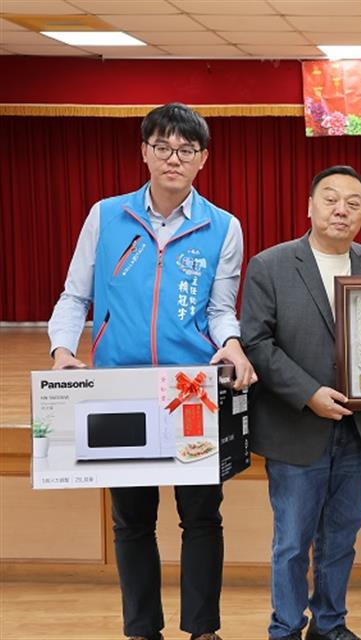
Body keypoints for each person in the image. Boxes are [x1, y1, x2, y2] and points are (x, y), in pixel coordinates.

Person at [48, 102, 257, 640]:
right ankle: (142, 630)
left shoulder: (223, 226)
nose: (173, 158)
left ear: (203, 159)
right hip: (121, 389)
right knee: (132, 521)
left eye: (186, 150)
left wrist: (231, 343)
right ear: (144, 151)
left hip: (192, 391)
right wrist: (62, 350)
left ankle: (203, 630)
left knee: (202, 517)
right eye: (162, 147)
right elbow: (74, 295)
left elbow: (220, 308)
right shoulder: (105, 216)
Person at [241, 165, 361, 640]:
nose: (341, 209)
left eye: (353, 202)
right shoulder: (270, 265)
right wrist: (309, 394)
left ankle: (329, 624)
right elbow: (257, 342)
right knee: (291, 543)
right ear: (309, 206)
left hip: (355, 429)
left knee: (341, 539)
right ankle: (285, 627)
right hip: (295, 428)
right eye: (330, 199)